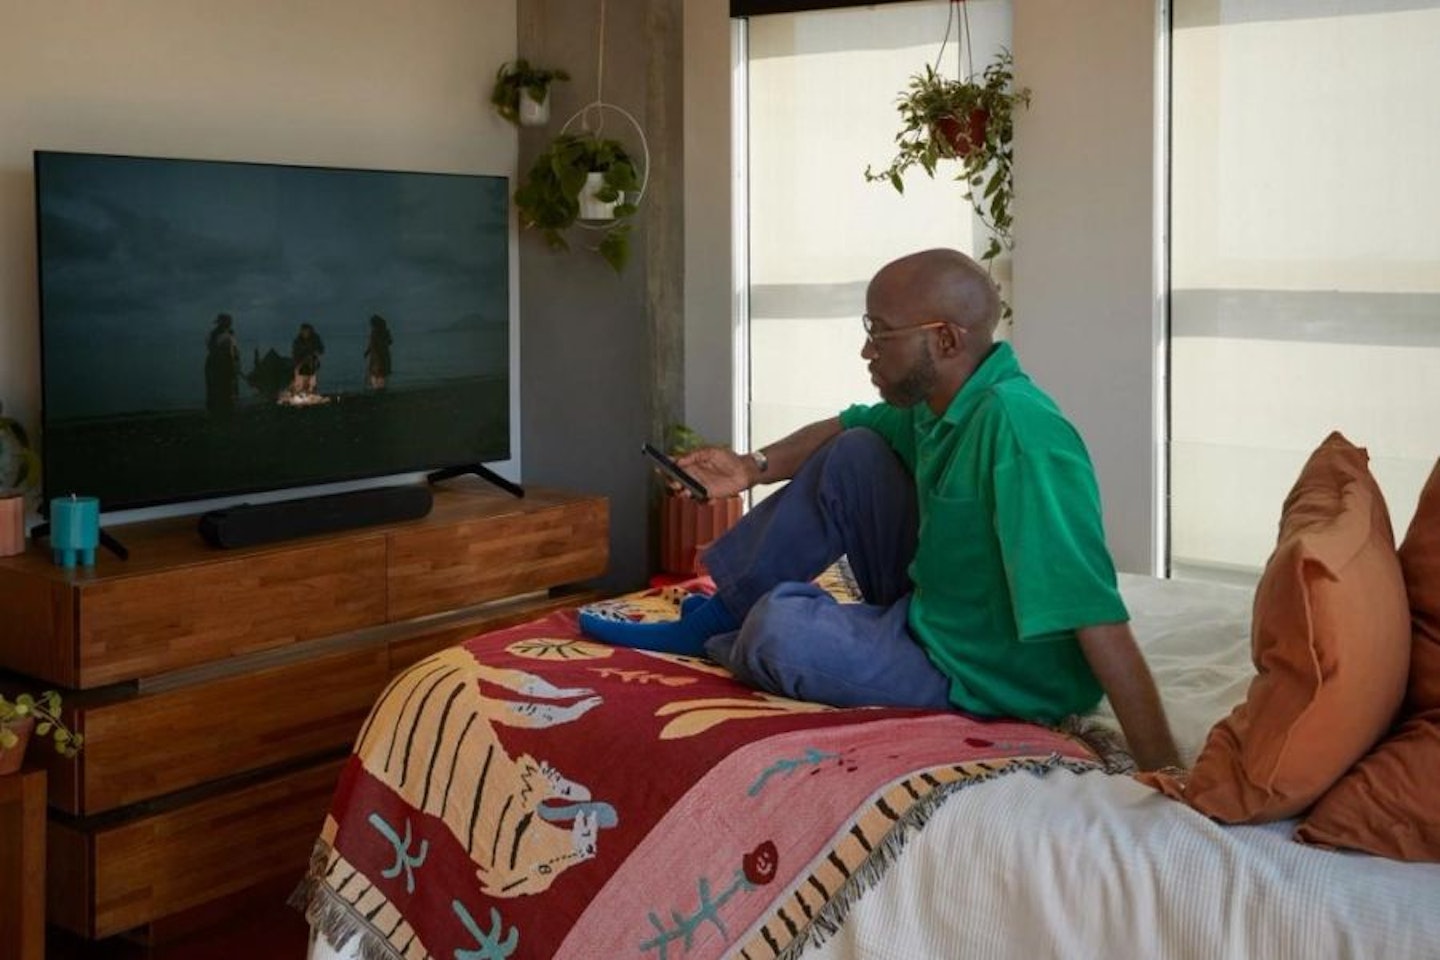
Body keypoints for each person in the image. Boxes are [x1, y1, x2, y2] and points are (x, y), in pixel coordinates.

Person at [580, 248, 1180, 772]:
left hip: (986, 673)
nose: (867, 349)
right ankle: (720, 618)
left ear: (944, 339)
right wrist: (749, 467)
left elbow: (1095, 614)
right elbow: (848, 425)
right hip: (932, 613)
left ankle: (757, 625)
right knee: (856, 453)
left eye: (881, 333)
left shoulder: (1021, 436)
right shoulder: (938, 401)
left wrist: (1166, 769)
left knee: (778, 633)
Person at [204, 313, 240, 414]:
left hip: (217, 364)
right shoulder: (224, 335)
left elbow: (233, 352)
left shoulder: (215, 335)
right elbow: (232, 351)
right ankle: (222, 410)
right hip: (221, 364)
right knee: (222, 387)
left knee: (219, 388)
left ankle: (219, 410)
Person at [291, 322, 325, 396]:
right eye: (303, 331)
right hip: (300, 364)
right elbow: (295, 354)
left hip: (311, 364)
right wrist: (298, 363)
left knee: (311, 384)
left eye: (307, 331)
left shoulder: (315, 339)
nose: (305, 333)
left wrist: (315, 353)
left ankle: (310, 396)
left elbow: (321, 350)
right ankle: (300, 396)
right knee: (300, 385)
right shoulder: (298, 341)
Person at [364, 314, 393, 389]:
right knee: (381, 373)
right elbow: (390, 342)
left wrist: (367, 352)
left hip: (376, 356)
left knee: (375, 373)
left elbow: (371, 344)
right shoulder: (385, 332)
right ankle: (380, 388)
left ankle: (377, 388)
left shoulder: (374, 333)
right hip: (383, 354)